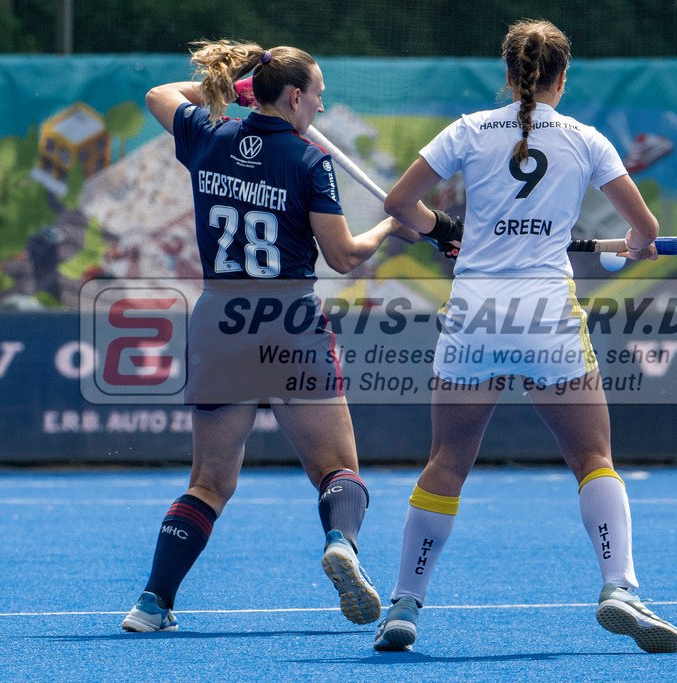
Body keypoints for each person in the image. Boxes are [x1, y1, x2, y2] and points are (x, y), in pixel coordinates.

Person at [373, 19, 677, 654]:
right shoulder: (587, 140)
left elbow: (398, 205)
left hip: (475, 311)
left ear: (509, 75)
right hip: (546, 311)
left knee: (448, 460)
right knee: (592, 459)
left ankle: (405, 605)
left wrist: (442, 230)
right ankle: (618, 587)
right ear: (561, 80)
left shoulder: (467, 130)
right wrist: (635, 247)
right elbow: (645, 230)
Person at [121, 39, 411, 632]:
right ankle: (340, 543)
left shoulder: (209, 134)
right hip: (289, 320)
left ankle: (152, 604)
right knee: (336, 469)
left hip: (220, 319)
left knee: (209, 483)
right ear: (296, 96)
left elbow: (158, 94)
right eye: (318, 98)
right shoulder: (309, 161)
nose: (321, 111)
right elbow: (345, 255)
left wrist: (232, 86)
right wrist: (390, 225)